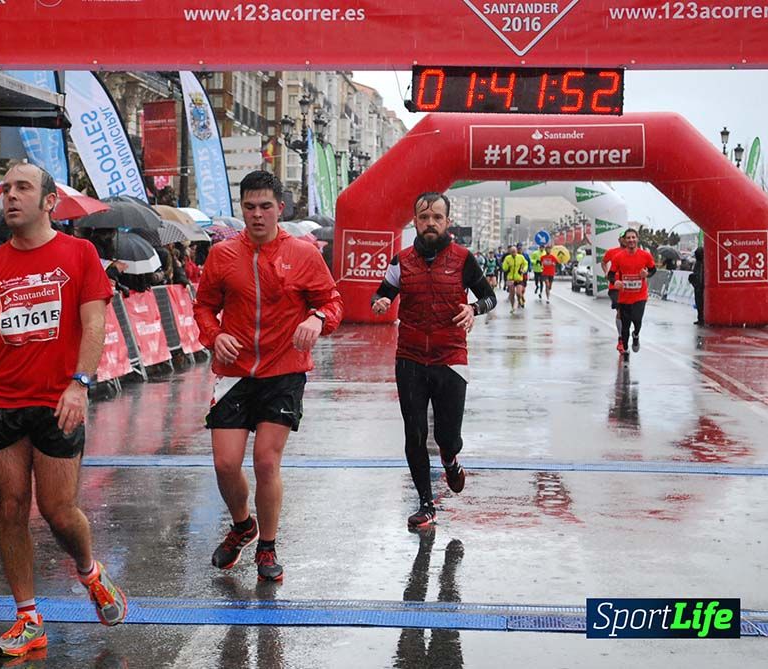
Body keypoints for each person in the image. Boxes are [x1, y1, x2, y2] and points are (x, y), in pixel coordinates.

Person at [0, 163, 126, 657]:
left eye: (22, 188)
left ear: (49, 201)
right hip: (5, 401)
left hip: (58, 401)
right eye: (6, 189)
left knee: (57, 511)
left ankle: (91, 572)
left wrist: (80, 383)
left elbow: (93, 324)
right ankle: (28, 619)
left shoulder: (79, 253)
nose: (9, 197)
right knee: (10, 508)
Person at [193, 170, 343, 583]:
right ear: (241, 209)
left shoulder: (304, 254)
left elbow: (332, 303)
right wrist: (214, 335)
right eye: (249, 207)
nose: (257, 215)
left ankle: (267, 547)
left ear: (280, 208)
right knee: (225, 464)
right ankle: (243, 525)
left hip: (284, 370)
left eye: (265, 207)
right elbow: (203, 307)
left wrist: (316, 318)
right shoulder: (222, 255)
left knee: (265, 461)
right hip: (235, 371)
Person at [371, 193, 497, 529]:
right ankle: (426, 503)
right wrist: (381, 301)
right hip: (410, 357)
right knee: (414, 433)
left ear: (447, 221)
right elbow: (383, 291)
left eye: (437, 218)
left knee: (447, 436)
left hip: (450, 357)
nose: (430, 223)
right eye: (424, 217)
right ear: (415, 220)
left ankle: (450, 456)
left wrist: (473, 308)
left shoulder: (463, 259)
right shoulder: (401, 261)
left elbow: (490, 296)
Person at [609, 228, 656, 361]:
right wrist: (616, 281)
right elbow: (610, 274)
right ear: (624, 240)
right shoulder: (618, 257)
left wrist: (647, 274)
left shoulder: (645, 255)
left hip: (640, 296)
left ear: (637, 239)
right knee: (625, 326)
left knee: (637, 320)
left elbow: (653, 270)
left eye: (633, 237)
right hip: (624, 297)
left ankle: (636, 335)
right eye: (628, 238)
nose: (631, 240)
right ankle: (625, 349)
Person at [601, 234, 627, 350]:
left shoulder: (634, 253)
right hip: (614, 286)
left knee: (630, 314)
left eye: (627, 237)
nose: (625, 240)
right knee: (620, 310)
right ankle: (621, 338)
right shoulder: (612, 252)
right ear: (619, 239)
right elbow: (603, 262)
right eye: (623, 237)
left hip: (629, 287)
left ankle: (630, 333)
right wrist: (606, 272)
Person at [501, 244, 528, 312]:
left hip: (518, 278)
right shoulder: (507, 258)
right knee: (512, 294)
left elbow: (526, 264)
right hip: (510, 279)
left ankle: (520, 300)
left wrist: (524, 270)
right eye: (512, 251)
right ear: (510, 252)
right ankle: (512, 307)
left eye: (514, 251)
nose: (513, 253)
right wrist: (506, 267)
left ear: (516, 251)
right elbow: (504, 267)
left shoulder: (521, 257)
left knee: (518, 293)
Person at [689, 246, 704, 325]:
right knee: (699, 302)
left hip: (700, 286)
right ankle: (700, 317)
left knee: (700, 302)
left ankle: (701, 318)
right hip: (698, 285)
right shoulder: (698, 263)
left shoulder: (701, 264)